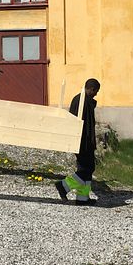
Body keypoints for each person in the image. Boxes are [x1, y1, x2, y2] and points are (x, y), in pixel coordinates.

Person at [55, 78, 100, 206]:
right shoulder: (81, 101)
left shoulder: (82, 99)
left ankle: (82, 198)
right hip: (82, 142)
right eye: (96, 91)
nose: (96, 94)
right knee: (86, 169)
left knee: (87, 168)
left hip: (85, 142)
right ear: (91, 89)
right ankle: (64, 185)